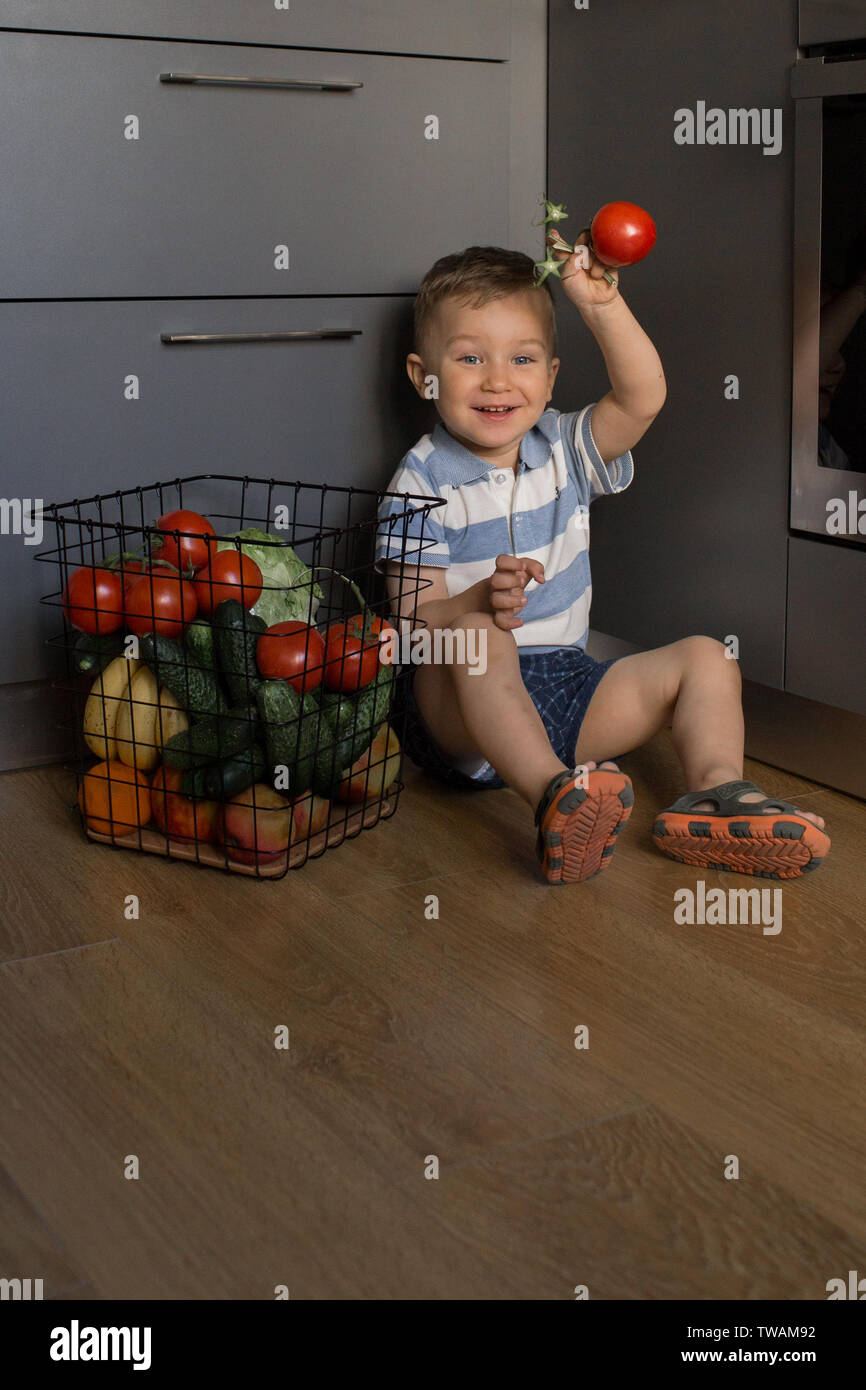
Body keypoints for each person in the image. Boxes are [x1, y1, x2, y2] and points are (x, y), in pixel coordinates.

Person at [375, 236, 830, 883]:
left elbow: (643, 398)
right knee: (476, 637)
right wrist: (478, 603)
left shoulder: (562, 447)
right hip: (460, 718)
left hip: (565, 689)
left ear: (551, 375)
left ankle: (717, 792)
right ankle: (552, 797)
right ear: (426, 375)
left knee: (707, 657)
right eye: (471, 357)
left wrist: (600, 304)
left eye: (522, 358)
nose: (499, 379)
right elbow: (415, 632)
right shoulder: (420, 483)